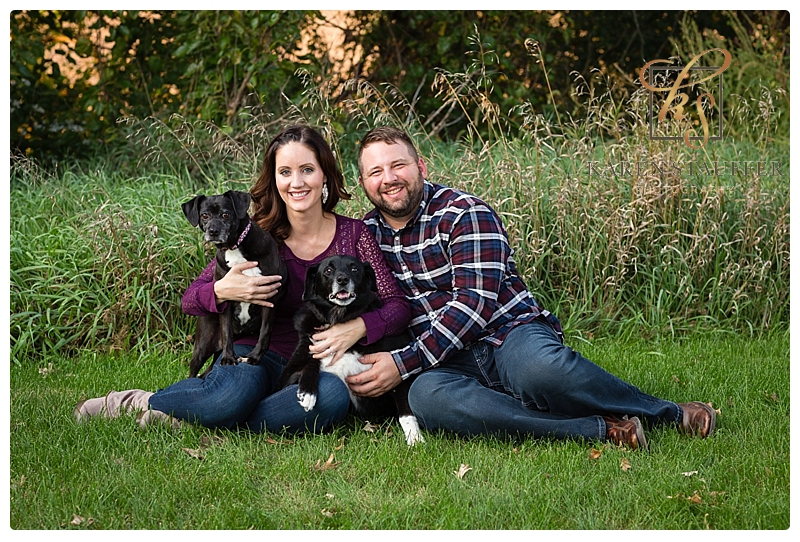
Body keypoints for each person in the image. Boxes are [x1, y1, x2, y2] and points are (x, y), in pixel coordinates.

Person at [346, 126, 716, 450]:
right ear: (363, 183)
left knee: (539, 371)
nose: (388, 178)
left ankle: (667, 413)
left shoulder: (463, 213)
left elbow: (474, 306)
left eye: (398, 165)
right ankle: (599, 430)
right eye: (375, 171)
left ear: (421, 167)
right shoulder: (367, 236)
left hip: (507, 334)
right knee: (427, 399)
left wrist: (404, 362)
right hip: (445, 361)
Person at [74, 125, 411, 434]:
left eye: (307, 170)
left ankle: (199, 415)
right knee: (232, 394)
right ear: (275, 180)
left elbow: (397, 306)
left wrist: (359, 327)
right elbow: (190, 299)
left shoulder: (354, 234)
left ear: (325, 175)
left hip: (312, 365)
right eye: (285, 172)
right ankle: (139, 402)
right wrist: (222, 289)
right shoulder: (257, 236)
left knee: (333, 398)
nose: (297, 182)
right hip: (257, 353)